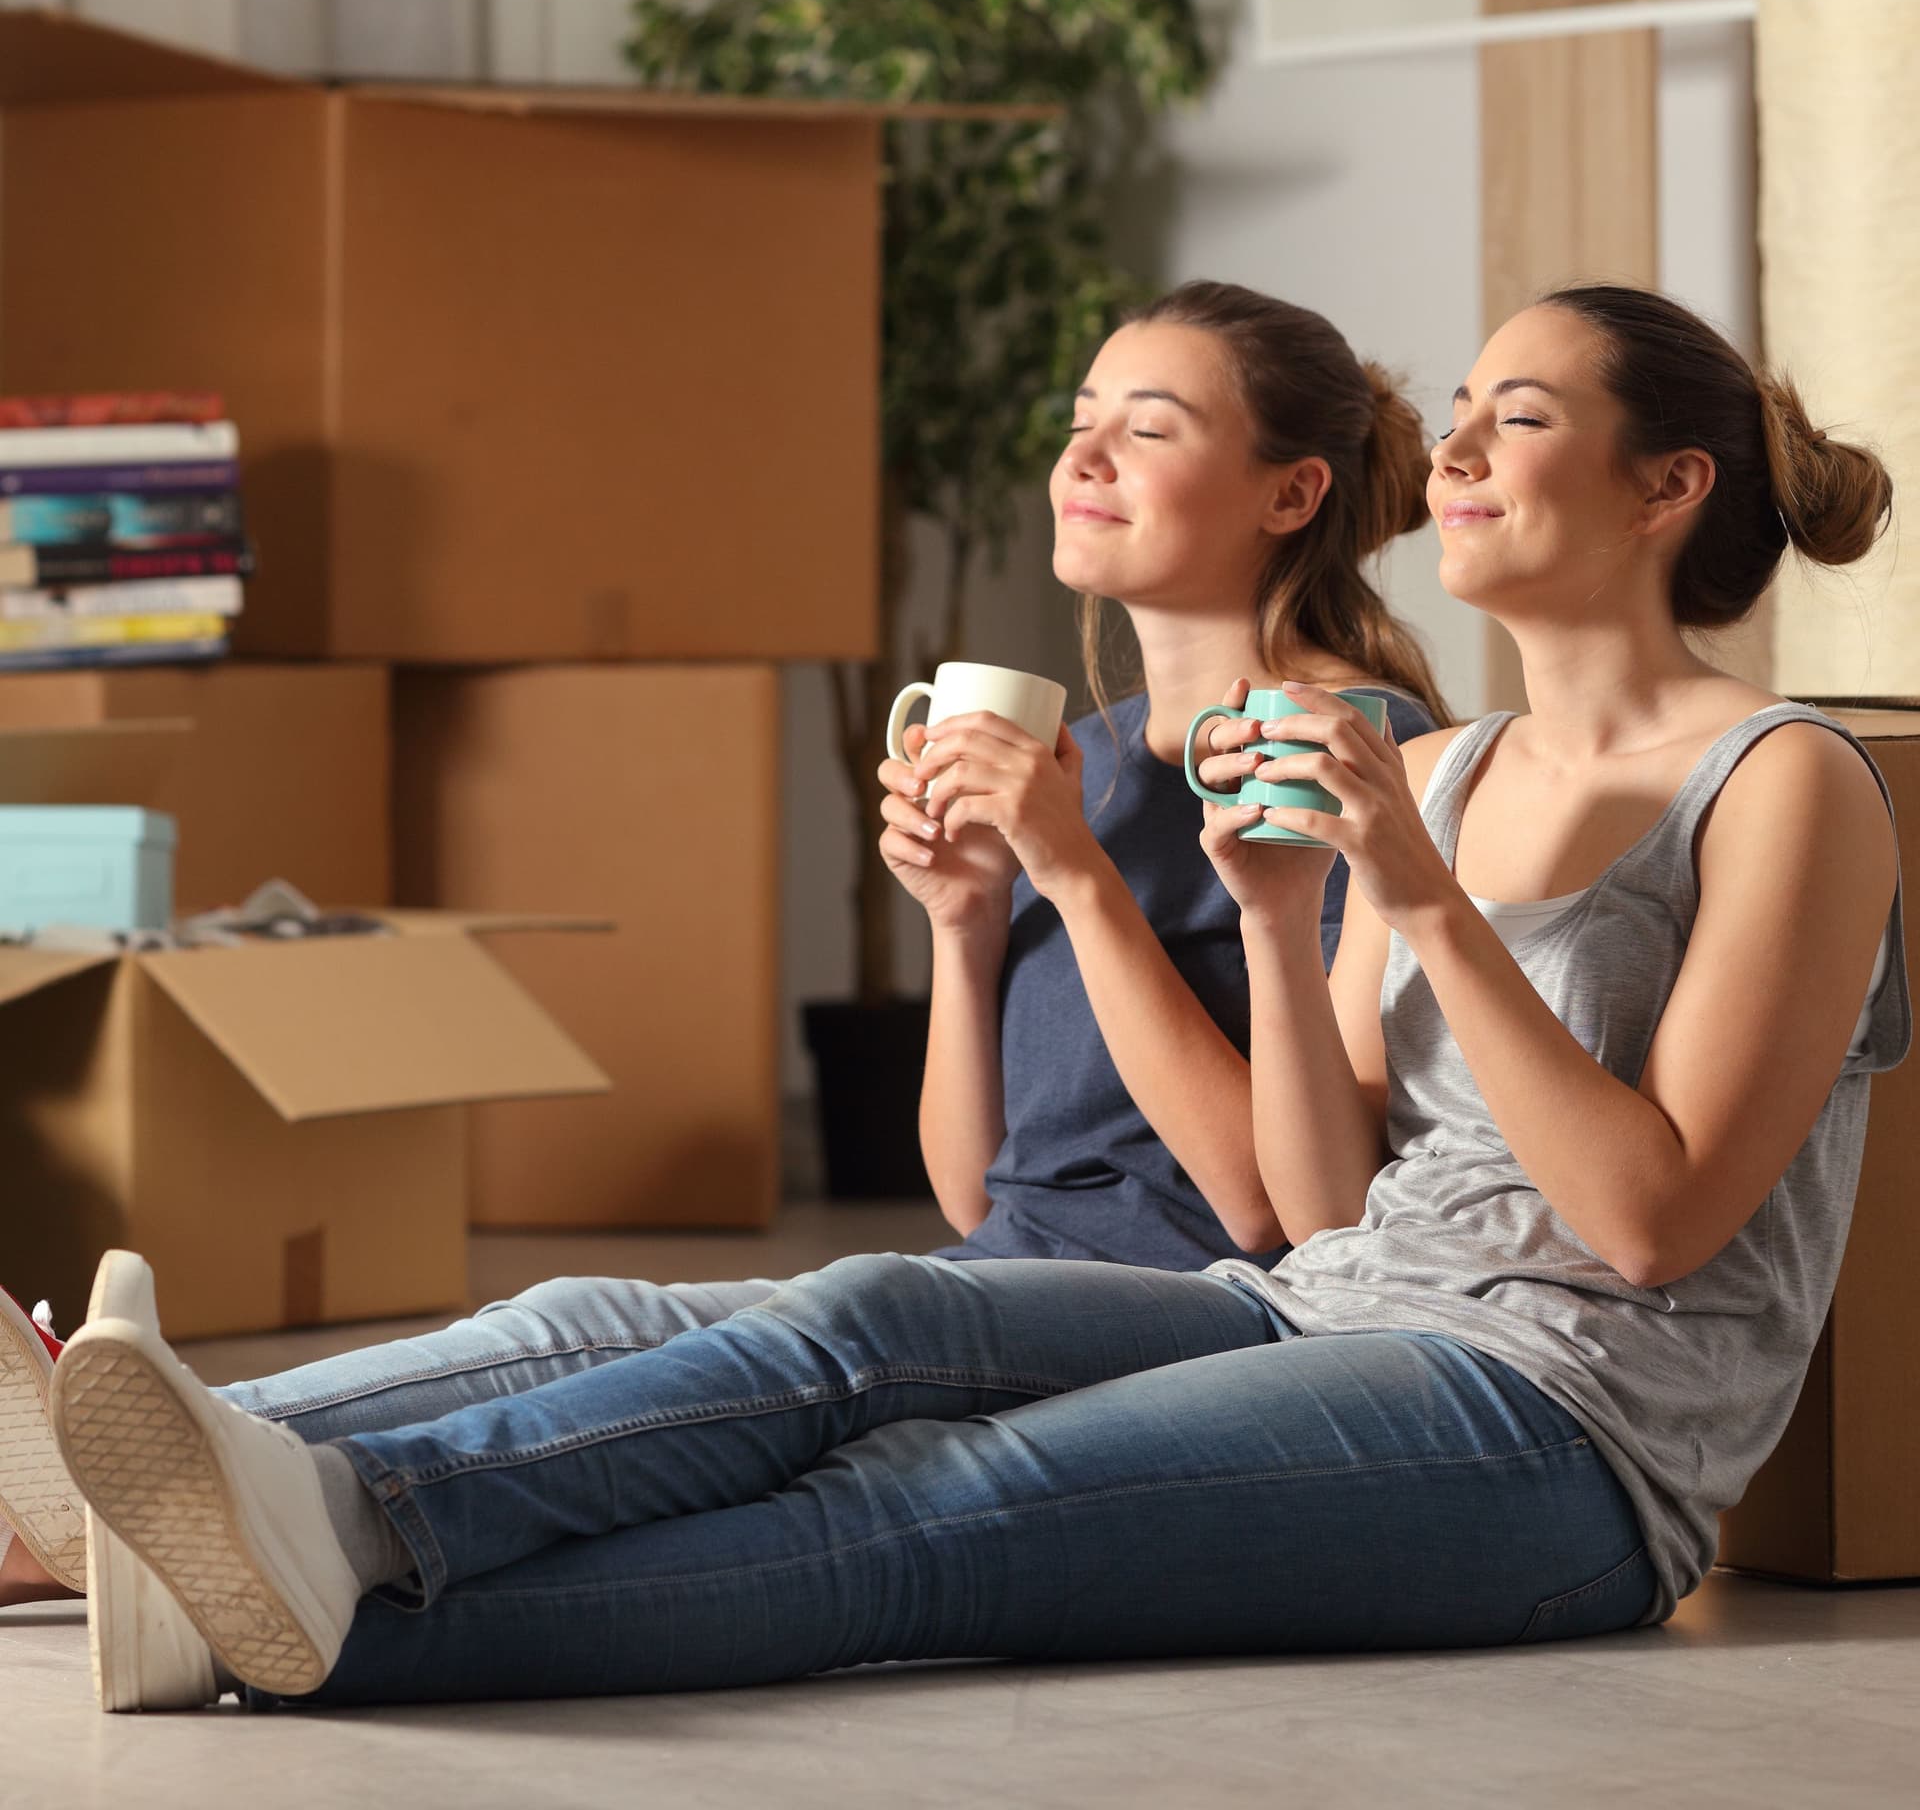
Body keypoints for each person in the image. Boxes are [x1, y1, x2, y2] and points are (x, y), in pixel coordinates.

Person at [0, 281, 1445, 1641]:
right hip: (1006, 1270)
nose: (1089, 455)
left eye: (1152, 427)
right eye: (1082, 420)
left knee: (782, 1320)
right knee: (594, 1319)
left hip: (1202, 1313)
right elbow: (978, 1190)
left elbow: (1274, 1215)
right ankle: (116, 1467)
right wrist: (961, 921)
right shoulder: (1091, 757)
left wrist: (1072, 878)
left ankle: (196, 1482)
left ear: (1291, 491)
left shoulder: (1342, 752)